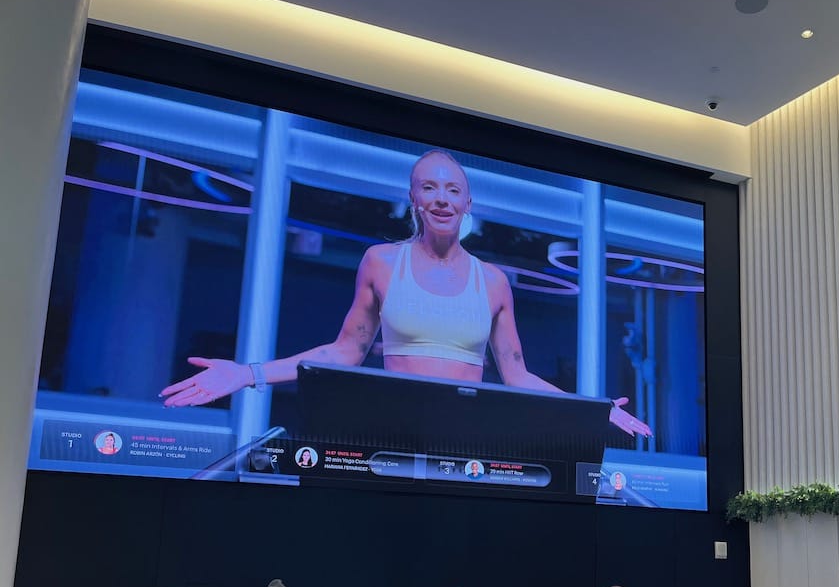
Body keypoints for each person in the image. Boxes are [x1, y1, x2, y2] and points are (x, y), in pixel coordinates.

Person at [159, 149, 651, 439]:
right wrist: (249, 373)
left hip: (469, 442)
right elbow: (345, 351)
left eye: (453, 191)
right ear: (414, 198)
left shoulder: (494, 281)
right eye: (430, 189)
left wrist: (595, 409)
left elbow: (517, 374)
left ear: (467, 203)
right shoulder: (381, 261)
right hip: (394, 432)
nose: (442, 199)